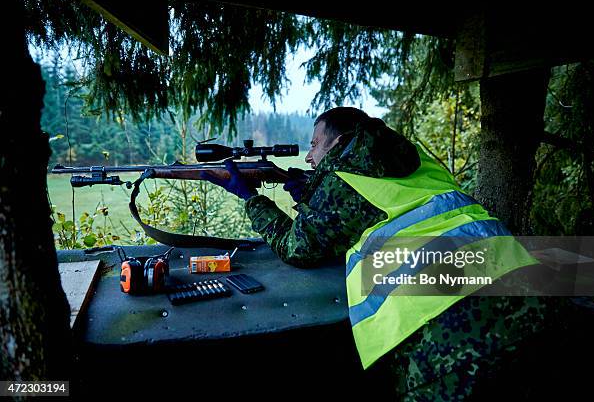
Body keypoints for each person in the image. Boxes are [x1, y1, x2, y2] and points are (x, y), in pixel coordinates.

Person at [205, 107, 571, 400]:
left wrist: (249, 198)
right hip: (531, 294)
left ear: (340, 143)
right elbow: (385, 207)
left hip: (453, 333)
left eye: (316, 145)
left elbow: (297, 248)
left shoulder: (342, 180)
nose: (311, 157)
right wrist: (313, 196)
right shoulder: (412, 158)